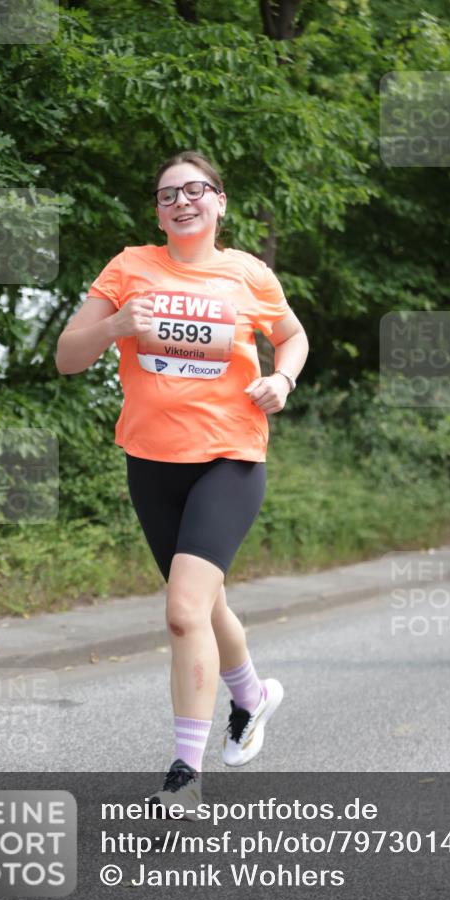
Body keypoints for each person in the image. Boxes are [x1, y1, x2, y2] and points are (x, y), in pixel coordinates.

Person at [55, 151, 309, 810]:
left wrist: (281, 378)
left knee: (181, 610)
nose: (182, 201)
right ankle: (252, 698)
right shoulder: (128, 267)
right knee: (206, 602)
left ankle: (182, 775)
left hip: (230, 455)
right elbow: (66, 358)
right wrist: (115, 325)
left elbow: (293, 336)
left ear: (220, 202)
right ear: (157, 211)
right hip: (152, 460)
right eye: (169, 194)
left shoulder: (247, 273)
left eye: (196, 190)